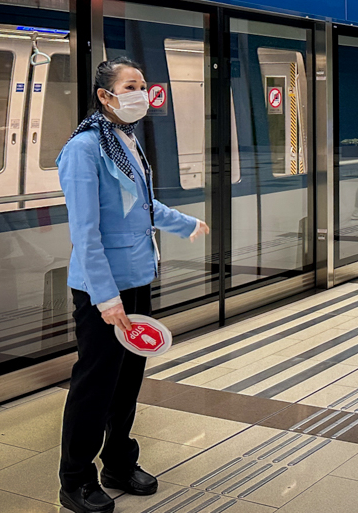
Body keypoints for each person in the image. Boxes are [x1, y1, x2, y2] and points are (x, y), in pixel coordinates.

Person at [57, 58, 209, 513]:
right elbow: (85, 232)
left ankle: (119, 461)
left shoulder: (125, 139)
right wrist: (105, 298)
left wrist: (184, 223)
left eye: (143, 85)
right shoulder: (84, 148)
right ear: (106, 95)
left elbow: (142, 206)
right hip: (102, 290)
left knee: (127, 381)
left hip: (137, 277)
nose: (141, 92)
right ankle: (75, 480)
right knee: (95, 383)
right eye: (130, 85)